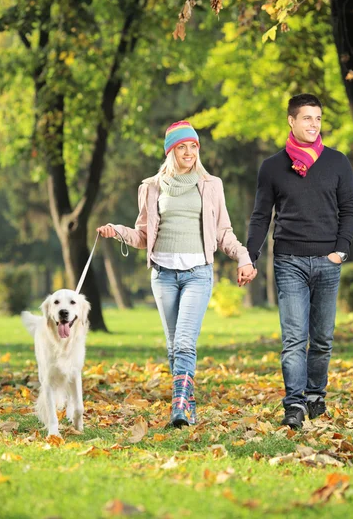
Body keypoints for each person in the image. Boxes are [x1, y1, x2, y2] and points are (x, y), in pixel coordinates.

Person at [97, 120, 257, 428]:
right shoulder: (151, 187)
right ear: (171, 151)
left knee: (185, 342)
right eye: (181, 146)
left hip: (198, 273)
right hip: (163, 274)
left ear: (198, 148)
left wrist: (243, 258)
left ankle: (179, 407)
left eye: (193, 146)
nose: (188, 152)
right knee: (173, 346)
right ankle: (187, 403)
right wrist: (117, 231)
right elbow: (144, 236)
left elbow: (223, 231)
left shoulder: (212, 185)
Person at [247, 94, 353, 429]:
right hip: (289, 261)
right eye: (307, 118)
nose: (314, 125)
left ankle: (315, 397)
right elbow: (260, 217)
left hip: (328, 261)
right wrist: (249, 256)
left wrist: (340, 250)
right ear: (292, 121)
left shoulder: (338, 163)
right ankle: (293, 404)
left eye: (318, 119)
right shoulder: (272, 167)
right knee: (294, 338)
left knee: (322, 338)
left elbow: (350, 210)